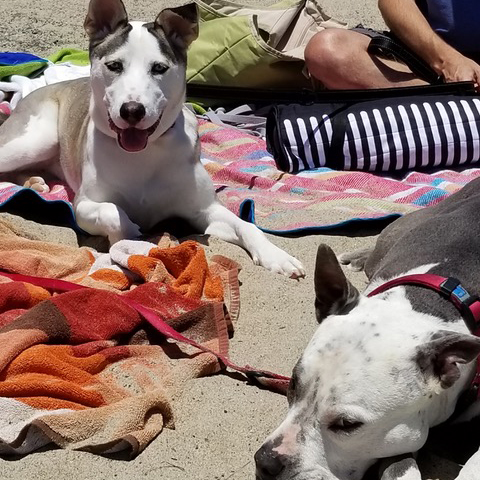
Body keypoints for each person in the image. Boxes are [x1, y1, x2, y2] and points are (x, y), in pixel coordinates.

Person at [304, 0, 480, 90]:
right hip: (427, 58)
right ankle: (448, 97)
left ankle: (452, 102)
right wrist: (447, 61)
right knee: (328, 51)